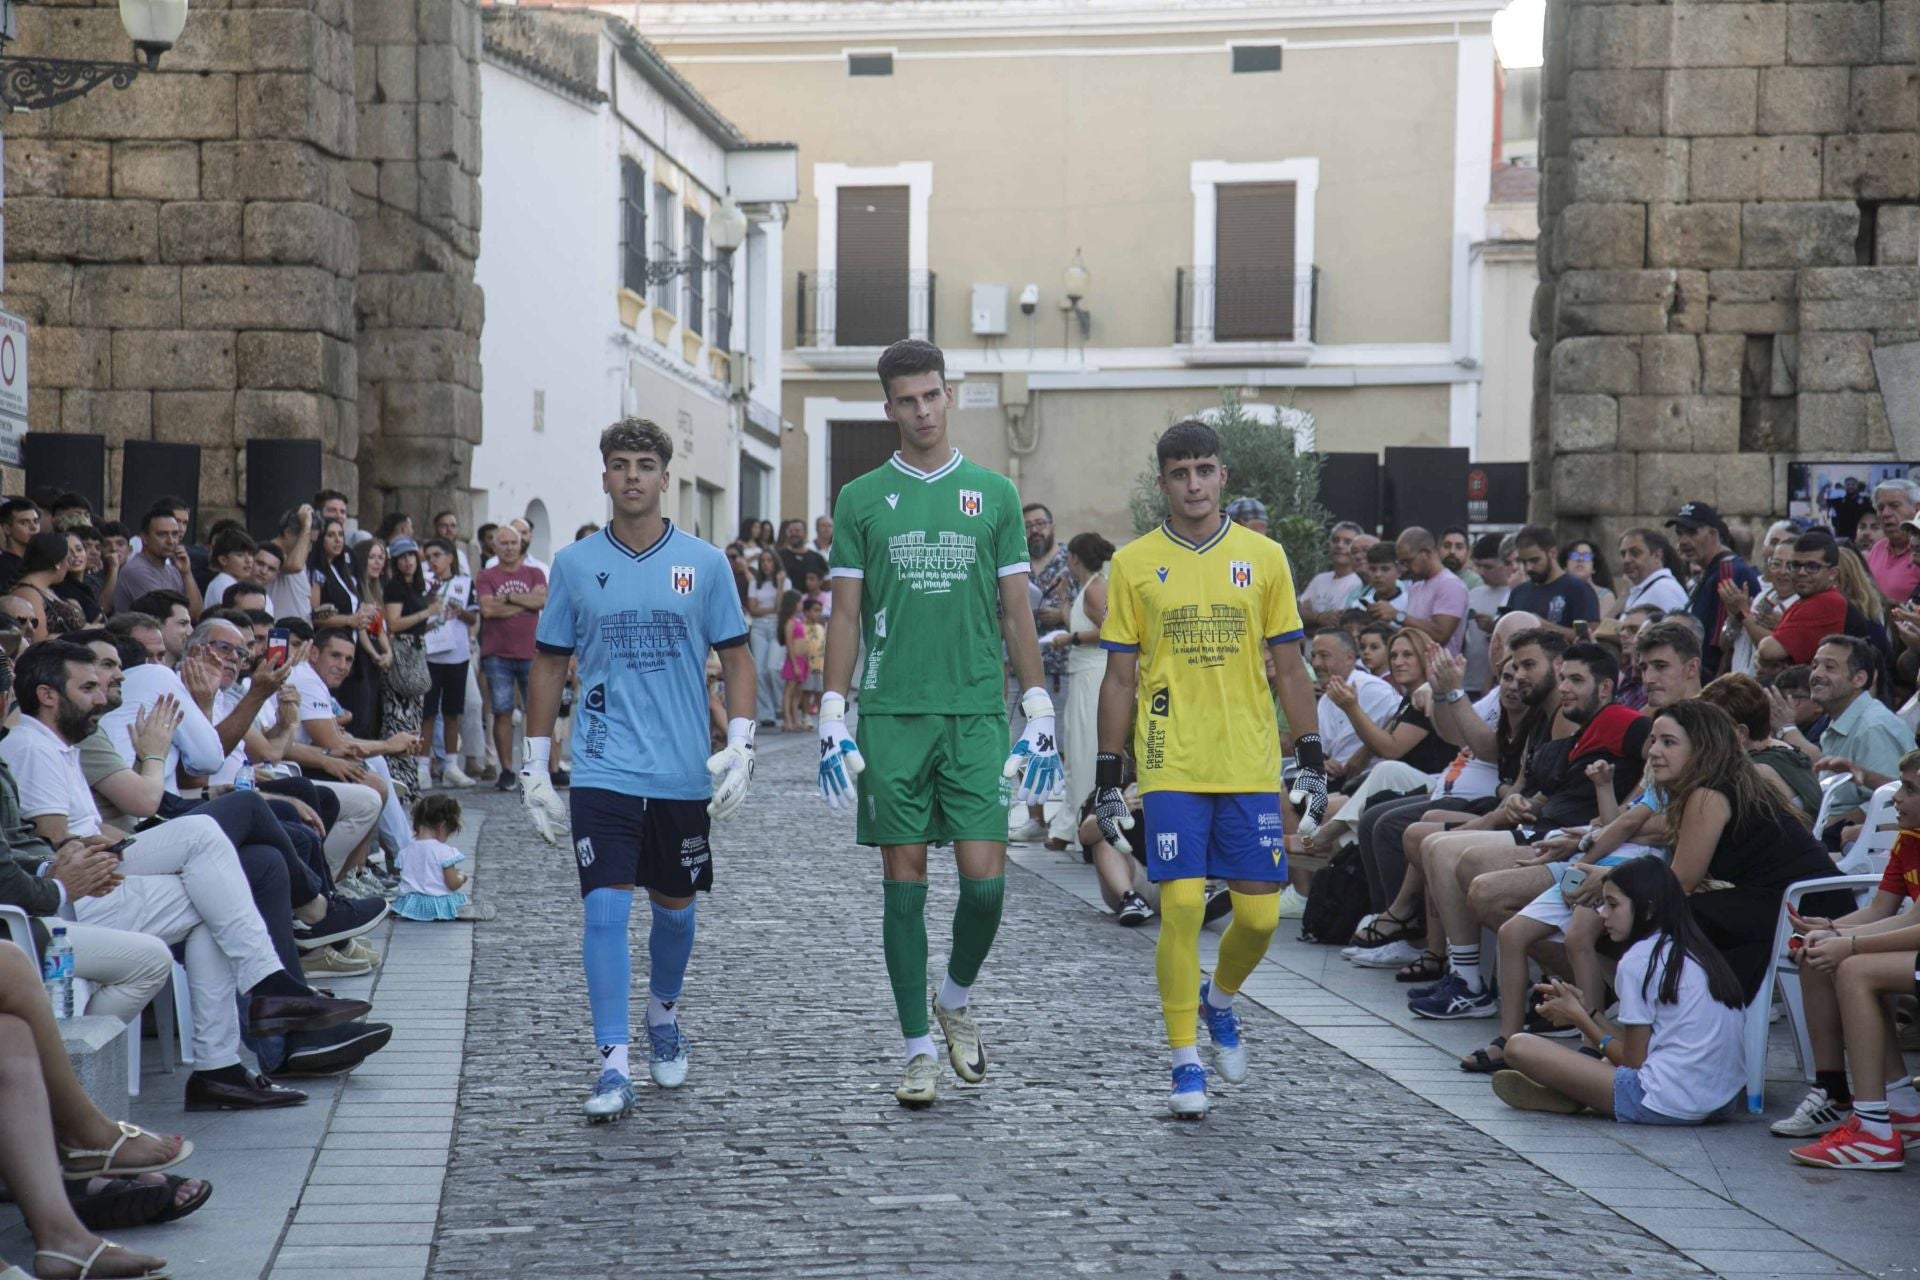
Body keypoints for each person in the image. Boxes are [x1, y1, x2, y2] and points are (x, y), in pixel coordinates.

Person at [815, 338, 1058, 1110]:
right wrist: (830, 707)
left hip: (977, 713)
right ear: (887, 408)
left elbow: (1016, 609)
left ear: (948, 395)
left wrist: (1038, 704)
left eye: (932, 395)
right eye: (906, 399)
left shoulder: (994, 494)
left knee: (986, 887)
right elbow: (845, 612)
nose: (921, 411)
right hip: (891, 715)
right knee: (905, 884)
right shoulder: (859, 498)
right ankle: (917, 1048)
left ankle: (954, 999)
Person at [516, 417, 755, 1122]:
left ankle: (663, 1012)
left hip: (681, 769)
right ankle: (613, 1062)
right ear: (604, 475)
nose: (631, 477)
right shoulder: (573, 563)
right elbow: (550, 662)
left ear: (663, 477)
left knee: (675, 916)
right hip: (602, 765)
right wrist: (536, 764)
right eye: (619, 464)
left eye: (644, 465)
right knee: (605, 909)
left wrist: (740, 745)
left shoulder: (706, 564)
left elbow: (737, 658)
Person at [1092, 418, 1320, 1119]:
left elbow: (1288, 665)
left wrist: (1309, 754)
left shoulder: (1265, 557)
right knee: (1183, 905)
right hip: (1169, 760)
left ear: (1223, 477)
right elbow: (1120, 679)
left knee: (1257, 916)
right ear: (1162, 482)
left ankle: (1220, 1001)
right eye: (1180, 473)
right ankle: (1184, 1061)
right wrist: (1107, 773)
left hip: (1249, 758)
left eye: (1205, 471)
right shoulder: (1132, 564)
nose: (1194, 484)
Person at [1492, 857, 1747, 1124]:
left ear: (1648, 910)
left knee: (1519, 1046)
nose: (1602, 914)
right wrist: (1588, 1012)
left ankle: (1576, 1094)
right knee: (1602, 1064)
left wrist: (1579, 1020)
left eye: (1613, 904)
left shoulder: (1639, 961)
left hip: (1664, 1101)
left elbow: (1633, 1061)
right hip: (1721, 1102)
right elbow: (1643, 1047)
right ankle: (1571, 1095)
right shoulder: (1696, 951)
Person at [1045, 531, 1113, 850]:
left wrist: (1068, 639)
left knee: (1086, 749)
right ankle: (1070, 823)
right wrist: (1063, 605)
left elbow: (1110, 629)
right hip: (1083, 674)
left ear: (1074, 558)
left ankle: (1083, 821)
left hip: (1093, 675)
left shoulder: (1096, 588)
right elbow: (1082, 620)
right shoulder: (1087, 588)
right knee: (1076, 749)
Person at [1809, 635, 1913, 843]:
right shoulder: (1841, 718)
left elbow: (1889, 801)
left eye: (1829, 667)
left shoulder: (1873, 727)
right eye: (1814, 666)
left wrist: (1817, 830)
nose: (1817, 674)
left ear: (1859, 679)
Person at [1011, 501, 1073, 843]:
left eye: (1040, 523)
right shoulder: (1015, 562)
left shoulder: (1070, 562)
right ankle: (1035, 817)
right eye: (1029, 525)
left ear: (1052, 525)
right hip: (1020, 668)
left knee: (1061, 744)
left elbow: (1095, 609)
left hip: (1060, 667)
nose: (1035, 530)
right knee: (1023, 742)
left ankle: (1065, 816)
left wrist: (1060, 616)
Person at [476, 522, 547, 791]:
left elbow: (541, 602)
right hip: (497, 653)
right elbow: (487, 610)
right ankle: (506, 768)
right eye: (502, 543)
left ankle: (532, 767)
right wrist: (522, 602)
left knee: (535, 712)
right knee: (502, 711)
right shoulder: (486, 575)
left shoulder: (535, 572)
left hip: (531, 651)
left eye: (513, 543)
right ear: (494, 546)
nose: (508, 548)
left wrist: (505, 599)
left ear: (521, 545)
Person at [1669, 501, 1761, 677]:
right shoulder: (1712, 570)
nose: (1683, 541)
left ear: (1713, 533)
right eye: (1679, 534)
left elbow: (1720, 648)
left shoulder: (1727, 572)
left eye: (1692, 533)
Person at [382, 536, 438, 796]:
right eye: (402, 557)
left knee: (414, 716)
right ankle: (398, 778)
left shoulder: (414, 587)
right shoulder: (395, 587)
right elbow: (394, 624)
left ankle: (409, 778)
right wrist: (427, 611)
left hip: (416, 649)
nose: (408, 561)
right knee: (400, 719)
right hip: (403, 654)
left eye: (411, 556)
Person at [1308, 629, 1401, 782]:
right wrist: (1323, 763)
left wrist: (1367, 750)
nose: (1316, 663)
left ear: (1349, 658)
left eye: (1324, 655)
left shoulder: (1374, 688)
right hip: (1334, 779)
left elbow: (1403, 719)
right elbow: (1324, 750)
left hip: (1375, 780)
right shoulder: (1325, 699)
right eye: (1313, 656)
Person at [421, 538, 476, 788]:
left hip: (456, 654)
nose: (432, 560)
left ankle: (451, 765)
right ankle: (423, 763)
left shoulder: (464, 584)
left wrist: (460, 610)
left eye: (436, 555)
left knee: (453, 711)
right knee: (428, 711)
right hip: (430, 654)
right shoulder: (423, 583)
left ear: (450, 558)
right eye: (429, 556)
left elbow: (473, 617)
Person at [1754, 532, 1851, 667]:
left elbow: (1767, 650)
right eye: (1796, 565)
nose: (1802, 572)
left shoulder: (1827, 601)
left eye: (1812, 567)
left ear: (1832, 573)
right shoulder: (1806, 599)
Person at [392, 793, 491, 921]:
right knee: (452, 898)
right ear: (442, 826)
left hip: (411, 903)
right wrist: (462, 877)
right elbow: (452, 884)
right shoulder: (445, 852)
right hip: (437, 904)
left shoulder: (404, 852)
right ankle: (460, 911)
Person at [109, 505, 202, 619]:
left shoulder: (174, 570)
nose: (171, 541)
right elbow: (167, 616)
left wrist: (186, 573)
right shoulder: (136, 571)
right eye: (162, 534)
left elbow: (196, 614)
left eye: (175, 534)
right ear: (144, 538)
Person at [1504, 525, 1599, 635]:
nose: (1528, 567)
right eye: (1523, 562)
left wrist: (1544, 626)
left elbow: (1591, 636)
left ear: (1552, 553)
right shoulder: (1519, 592)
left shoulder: (1578, 589)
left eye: (1534, 560)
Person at [1395, 526, 1468, 656]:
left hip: (1442, 672)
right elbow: (1413, 633)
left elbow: (1440, 635)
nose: (1405, 568)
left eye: (1408, 561)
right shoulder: (1415, 587)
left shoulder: (1450, 584)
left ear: (1427, 553)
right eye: (1402, 562)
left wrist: (1397, 616)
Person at [1463, 533, 1513, 696]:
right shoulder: (1474, 594)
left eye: (1488, 567)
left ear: (1506, 564)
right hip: (1468, 680)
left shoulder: (1516, 594)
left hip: (1499, 683)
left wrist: (1495, 628)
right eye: (1478, 566)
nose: (1482, 572)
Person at [11, 530, 87, 636]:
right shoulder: (27, 594)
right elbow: (39, 641)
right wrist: (85, 634)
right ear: (57, 563)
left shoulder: (45, 589)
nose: (68, 565)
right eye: (67, 559)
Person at [745, 549, 785, 728]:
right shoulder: (755, 584)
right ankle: (766, 713)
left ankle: (780, 704)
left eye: (769, 560)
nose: (766, 564)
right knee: (759, 670)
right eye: (763, 561)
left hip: (777, 625)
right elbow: (752, 609)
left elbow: (781, 607)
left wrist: (781, 584)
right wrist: (770, 610)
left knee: (772, 668)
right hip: (759, 627)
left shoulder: (783, 582)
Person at [1299, 521, 1365, 629]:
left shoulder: (1359, 582)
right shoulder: (1320, 579)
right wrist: (1319, 618)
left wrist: (1309, 619)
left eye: (1347, 542)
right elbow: (1297, 612)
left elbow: (1339, 622)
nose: (1339, 545)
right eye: (1335, 540)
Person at [1865, 479, 1920, 604]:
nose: (1885, 514)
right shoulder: (1877, 549)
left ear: (1917, 509)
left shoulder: (1917, 553)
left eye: (1894, 506)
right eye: (1880, 508)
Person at [1616, 527, 1690, 616]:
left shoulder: (1664, 589)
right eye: (1623, 554)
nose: (1626, 560)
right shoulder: (1645, 589)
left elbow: (1679, 628)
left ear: (1656, 556)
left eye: (1635, 553)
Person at [263, 504, 316, 622]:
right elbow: (294, 566)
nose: (310, 548)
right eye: (308, 541)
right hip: (279, 634)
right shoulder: (269, 552)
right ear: (287, 532)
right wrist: (306, 526)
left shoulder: (296, 555)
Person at [1560, 539, 1617, 619]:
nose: (1580, 560)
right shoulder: (1558, 594)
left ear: (1594, 568)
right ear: (1565, 566)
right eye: (1574, 555)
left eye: (1587, 557)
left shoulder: (1605, 597)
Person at [776, 588, 807, 733]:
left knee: (797, 693)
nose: (802, 604)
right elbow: (789, 643)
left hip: (802, 660)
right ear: (794, 603)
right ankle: (787, 720)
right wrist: (794, 664)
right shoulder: (790, 622)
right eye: (800, 602)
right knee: (789, 691)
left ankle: (795, 720)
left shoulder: (798, 620)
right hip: (794, 660)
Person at [202, 526, 256, 608]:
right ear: (223, 560)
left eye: (250, 554)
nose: (248, 560)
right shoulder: (223, 585)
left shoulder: (231, 583)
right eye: (240, 555)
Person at [775, 517, 828, 597]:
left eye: (797, 531)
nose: (793, 534)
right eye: (790, 531)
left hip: (810, 605)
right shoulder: (778, 556)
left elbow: (826, 582)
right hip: (787, 603)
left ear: (805, 533)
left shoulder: (817, 558)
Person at [0, 494, 41, 585]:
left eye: (36, 521)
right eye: (24, 522)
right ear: (7, 529)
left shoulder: (38, 564)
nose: (33, 527)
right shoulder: (4, 568)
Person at [1440, 526, 1481, 591]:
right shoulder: (1428, 579)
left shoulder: (1476, 583)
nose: (1452, 551)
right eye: (1447, 546)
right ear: (1438, 549)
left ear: (1468, 552)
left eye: (1459, 547)